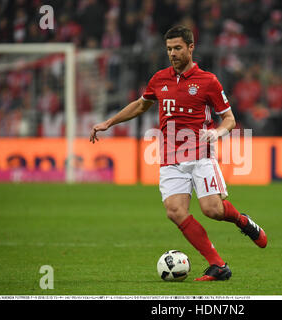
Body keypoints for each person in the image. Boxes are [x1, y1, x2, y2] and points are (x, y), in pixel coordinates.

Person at [90, 26, 267, 281]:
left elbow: (229, 119)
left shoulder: (208, 81)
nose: (172, 53)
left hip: (200, 153)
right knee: (174, 211)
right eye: (169, 49)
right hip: (170, 156)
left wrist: (217, 133)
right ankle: (217, 265)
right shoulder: (159, 79)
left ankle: (242, 221)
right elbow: (141, 105)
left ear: (190, 48)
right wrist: (109, 122)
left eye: (177, 48)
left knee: (213, 211)